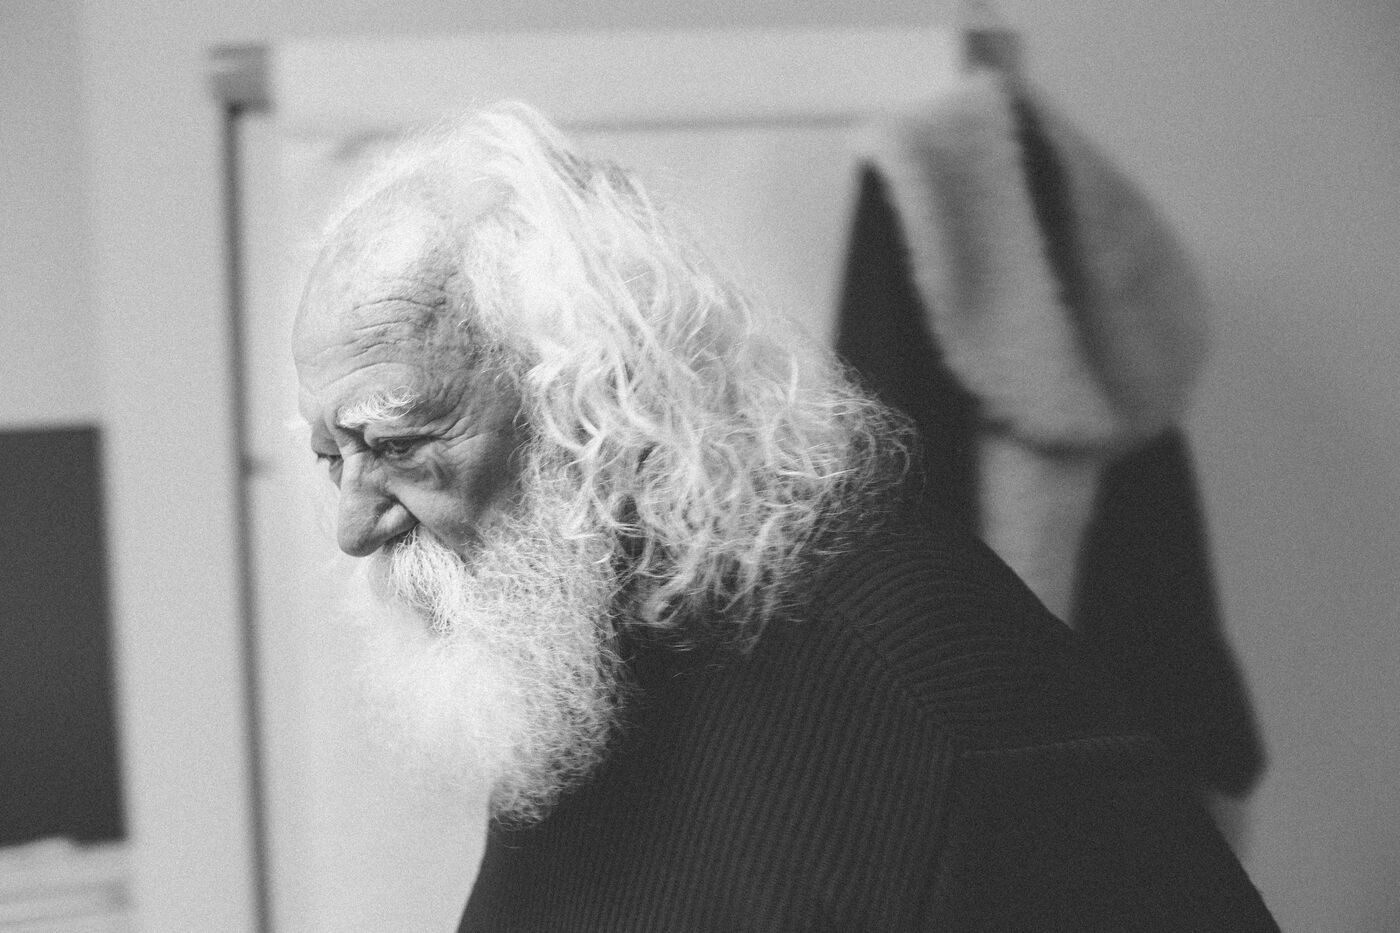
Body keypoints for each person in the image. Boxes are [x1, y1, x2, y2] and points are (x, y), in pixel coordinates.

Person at [292, 102, 1279, 931]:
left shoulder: (930, 687)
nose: (354, 525)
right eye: (333, 458)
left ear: (588, 397)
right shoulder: (576, 656)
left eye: (396, 442)